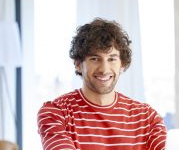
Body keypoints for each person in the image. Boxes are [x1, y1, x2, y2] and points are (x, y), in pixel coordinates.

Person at [37, 18, 167, 150]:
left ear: (122, 64)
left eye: (112, 59)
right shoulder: (56, 114)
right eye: (95, 59)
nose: (104, 69)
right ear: (78, 64)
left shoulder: (148, 118)